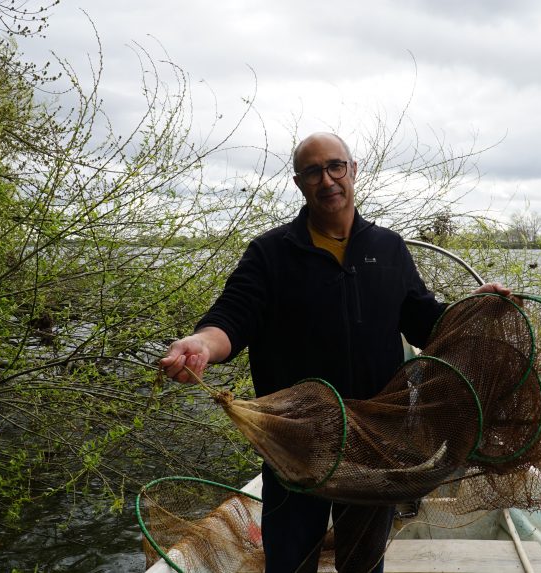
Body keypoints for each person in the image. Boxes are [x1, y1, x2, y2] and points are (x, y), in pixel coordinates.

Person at [160, 132, 511, 573]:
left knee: (363, 563)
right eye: (313, 171)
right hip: (294, 440)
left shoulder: (388, 248)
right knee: (290, 561)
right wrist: (201, 346)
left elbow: (427, 323)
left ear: (353, 170)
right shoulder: (271, 253)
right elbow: (232, 318)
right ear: (299, 182)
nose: (326, 180)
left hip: (374, 439)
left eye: (335, 166)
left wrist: (475, 311)